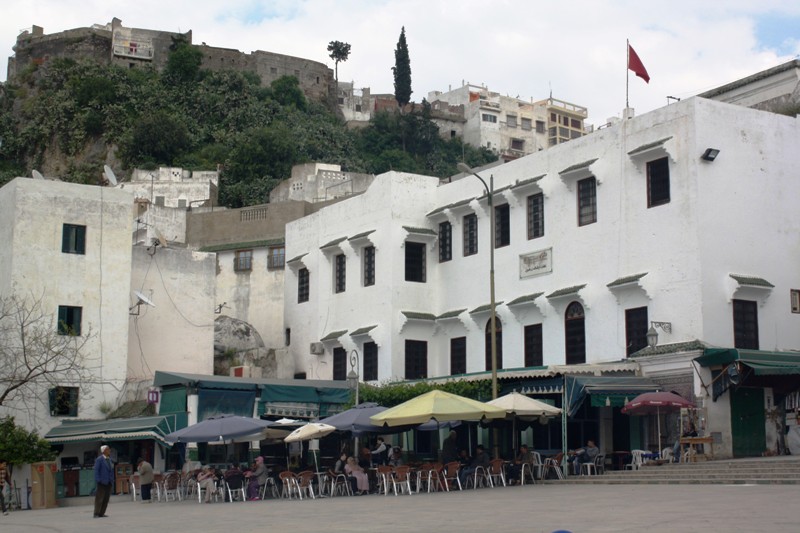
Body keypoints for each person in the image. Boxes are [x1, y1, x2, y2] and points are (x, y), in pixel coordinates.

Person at [93, 445, 114, 518]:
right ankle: (96, 513)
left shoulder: (109, 460)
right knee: (99, 498)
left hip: (109, 482)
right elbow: (96, 470)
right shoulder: (99, 459)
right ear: (104, 451)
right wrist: (98, 480)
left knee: (106, 498)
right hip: (102, 482)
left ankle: (102, 513)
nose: (109, 451)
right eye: (108, 449)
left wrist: (112, 480)